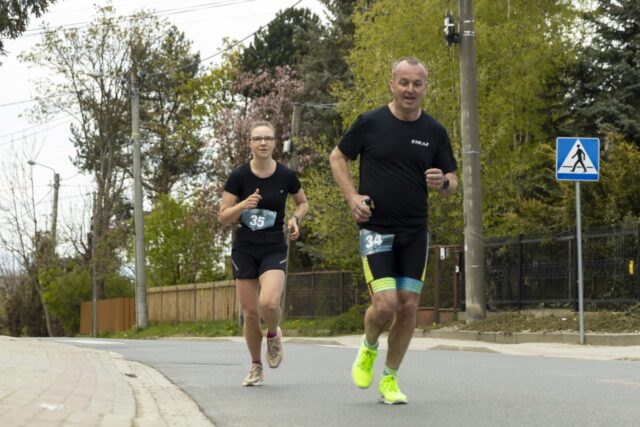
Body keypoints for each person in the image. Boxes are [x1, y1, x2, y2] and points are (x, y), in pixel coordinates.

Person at [329, 57, 458, 404]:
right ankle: (369, 346)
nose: (410, 90)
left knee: (408, 305)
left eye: (417, 84)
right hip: (377, 229)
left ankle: (390, 379)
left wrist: (442, 181)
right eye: (404, 82)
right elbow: (337, 157)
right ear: (392, 84)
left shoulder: (434, 131)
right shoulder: (370, 123)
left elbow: (453, 182)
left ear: (425, 88)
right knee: (385, 305)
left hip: (415, 231)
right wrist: (352, 196)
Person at [218, 120, 308, 386]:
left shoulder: (286, 175)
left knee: (269, 303)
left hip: (272, 247)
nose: (263, 143)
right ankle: (256, 366)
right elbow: (223, 216)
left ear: (274, 143)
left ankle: (273, 335)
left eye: (268, 138)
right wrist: (244, 205)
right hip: (245, 248)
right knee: (250, 312)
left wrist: (296, 220)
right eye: (258, 139)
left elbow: (302, 202)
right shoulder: (239, 176)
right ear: (250, 143)